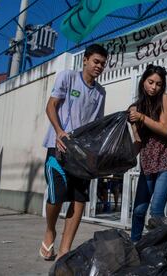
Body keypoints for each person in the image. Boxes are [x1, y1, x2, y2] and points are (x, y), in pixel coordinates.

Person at [40, 44, 108, 260]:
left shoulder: (100, 92)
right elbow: (51, 106)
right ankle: (50, 231)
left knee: (79, 199)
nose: (99, 66)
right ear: (85, 60)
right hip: (58, 147)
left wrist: (94, 151)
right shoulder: (67, 77)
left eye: (103, 64)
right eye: (96, 61)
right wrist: (59, 132)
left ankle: (64, 250)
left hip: (82, 155)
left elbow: (97, 125)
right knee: (56, 195)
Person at [128, 64, 167, 242]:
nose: (154, 87)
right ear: (143, 81)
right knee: (138, 211)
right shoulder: (135, 108)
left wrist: (142, 118)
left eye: (158, 84)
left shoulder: (165, 100)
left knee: (156, 212)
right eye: (151, 82)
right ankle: (134, 246)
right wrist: (126, 159)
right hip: (148, 164)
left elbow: (165, 129)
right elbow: (138, 139)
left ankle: (160, 248)